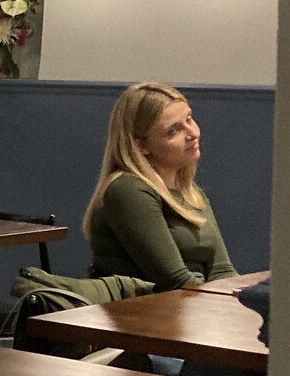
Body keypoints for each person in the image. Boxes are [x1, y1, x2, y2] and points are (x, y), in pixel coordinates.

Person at [83, 81, 236, 291]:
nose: (192, 133)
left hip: (195, 302)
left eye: (189, 119)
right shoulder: (128, 189)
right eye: (173, 131)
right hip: (147, 308)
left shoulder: (191, 193)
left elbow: (223, 270)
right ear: (141, 146)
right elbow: (175, 281)